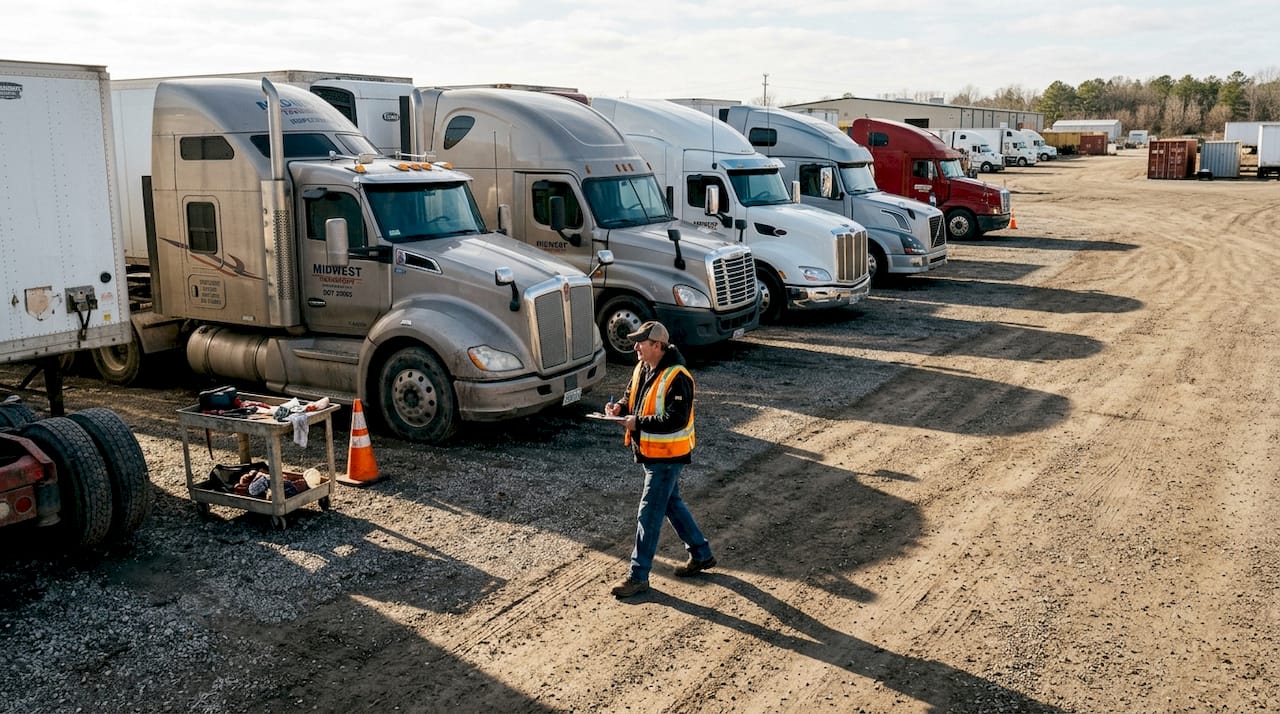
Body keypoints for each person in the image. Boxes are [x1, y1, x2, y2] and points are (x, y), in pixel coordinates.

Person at [604, 320, 715, 598]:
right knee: (670, 503)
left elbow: (675, 419)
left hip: (668, 455)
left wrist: (637, 423)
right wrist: (619, 407)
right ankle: (701, 553)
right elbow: (633, 395)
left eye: (641, 342)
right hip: (652, 454)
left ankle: (638, 576)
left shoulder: (678, 377)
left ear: (657, 346)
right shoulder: (642, 366)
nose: (636, 346)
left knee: (649, 512)